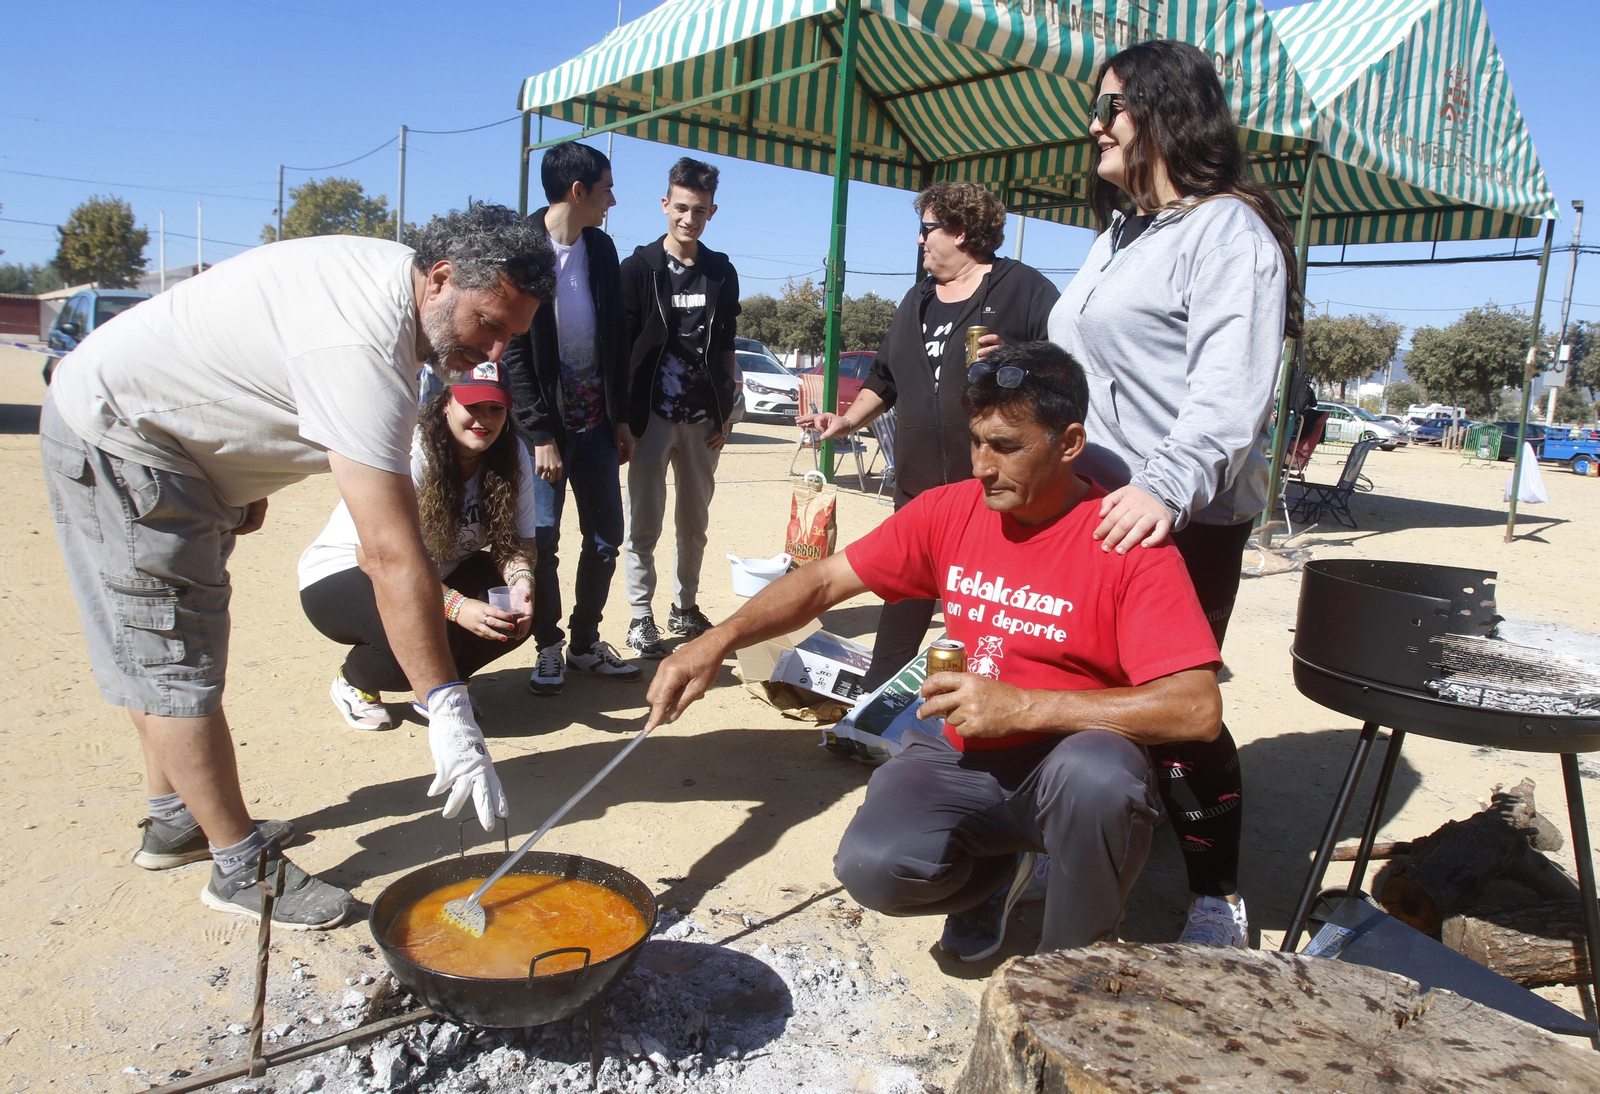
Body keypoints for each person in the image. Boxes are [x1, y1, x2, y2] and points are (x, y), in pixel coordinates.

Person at [40, 204, 553, 929]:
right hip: (126, 442)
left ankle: (175, 820)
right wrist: (447, 708)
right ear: (440, 279)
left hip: (184, 460)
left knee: (178, 645)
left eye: (512, 336)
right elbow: (388, 552)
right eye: (490, 325)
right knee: (170, 658)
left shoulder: (394, 291)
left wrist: (239, 483)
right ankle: (237, 866)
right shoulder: (365, 346)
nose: (496, 350)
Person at [646, 342, 1223, 961]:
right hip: (958, 752)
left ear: (1070, 443)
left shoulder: (1125, 541)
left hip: (1073, 760)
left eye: (1007, 446)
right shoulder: (952, 511)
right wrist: (716, 641)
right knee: (875, 867)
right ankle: (995, 880)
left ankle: (1072, 969)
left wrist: (1025, 708)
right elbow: (821, 581)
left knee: (1101, 781)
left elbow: (1195, 710)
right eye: (977, 441)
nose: (982, 466)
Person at [1046, 39, 1302, 947]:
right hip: (1098, 510)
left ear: (1165, 112)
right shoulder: (1118, 234)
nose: (1095, 124)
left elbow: (1231, 390)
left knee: (1175, 709)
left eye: (1111, 106)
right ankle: (1094, 835)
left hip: (1178, 517)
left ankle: (1215, 894)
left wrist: (1163, 486)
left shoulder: (1228, 231)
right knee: (1085, 684)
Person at [798, 181, 1059, 692]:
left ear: (961, 231)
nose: (920, 241)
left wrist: (1018, 362)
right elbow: (886, 380)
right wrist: (846, 421)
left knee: (989, 606)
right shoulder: (916, 299)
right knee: (903, 594)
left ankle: (998, 707)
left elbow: (1066, 370)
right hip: (918, 484)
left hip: (992, 487)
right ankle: (873, 708)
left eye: (927, 229)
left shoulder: (1025, 290)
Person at [299, 364, 537, 725]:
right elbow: (376, 558)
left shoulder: (511, 451)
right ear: (445, 403)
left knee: (527, 602)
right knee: (410, 649)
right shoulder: (414, 451)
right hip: (345, 575)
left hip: (429, 575)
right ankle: (356, 680)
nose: (483, 419)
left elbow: (520, 540)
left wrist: (522, 582)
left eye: (495, 408)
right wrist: (456, 607)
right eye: (471, 405)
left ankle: (447, 677)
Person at [500, 142, 640, 696]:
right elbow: (511, 352)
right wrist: (539, 434)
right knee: (544, 542)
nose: (612, 198)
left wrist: (622, 419)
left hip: (599, 428)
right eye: (606, 187)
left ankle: (584, 644)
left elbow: (616, 341)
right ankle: (548, 647)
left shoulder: (601, 249)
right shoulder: (519, 252)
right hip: (545, 439)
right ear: (577, 191)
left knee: (607, 538)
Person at [618, 157, 742, 658]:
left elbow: (728, 342)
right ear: (665, 204)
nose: (689, 218)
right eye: (682, 207)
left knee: (694, 524)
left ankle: (684, 608)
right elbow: (623, 350)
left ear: (712, 212)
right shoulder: (638, 269)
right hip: (651, 421)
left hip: (702, 422)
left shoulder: (720, 271)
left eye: (700, 210)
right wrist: (625, 419)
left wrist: (726, 412)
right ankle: (641, 616)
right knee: (643, 523)